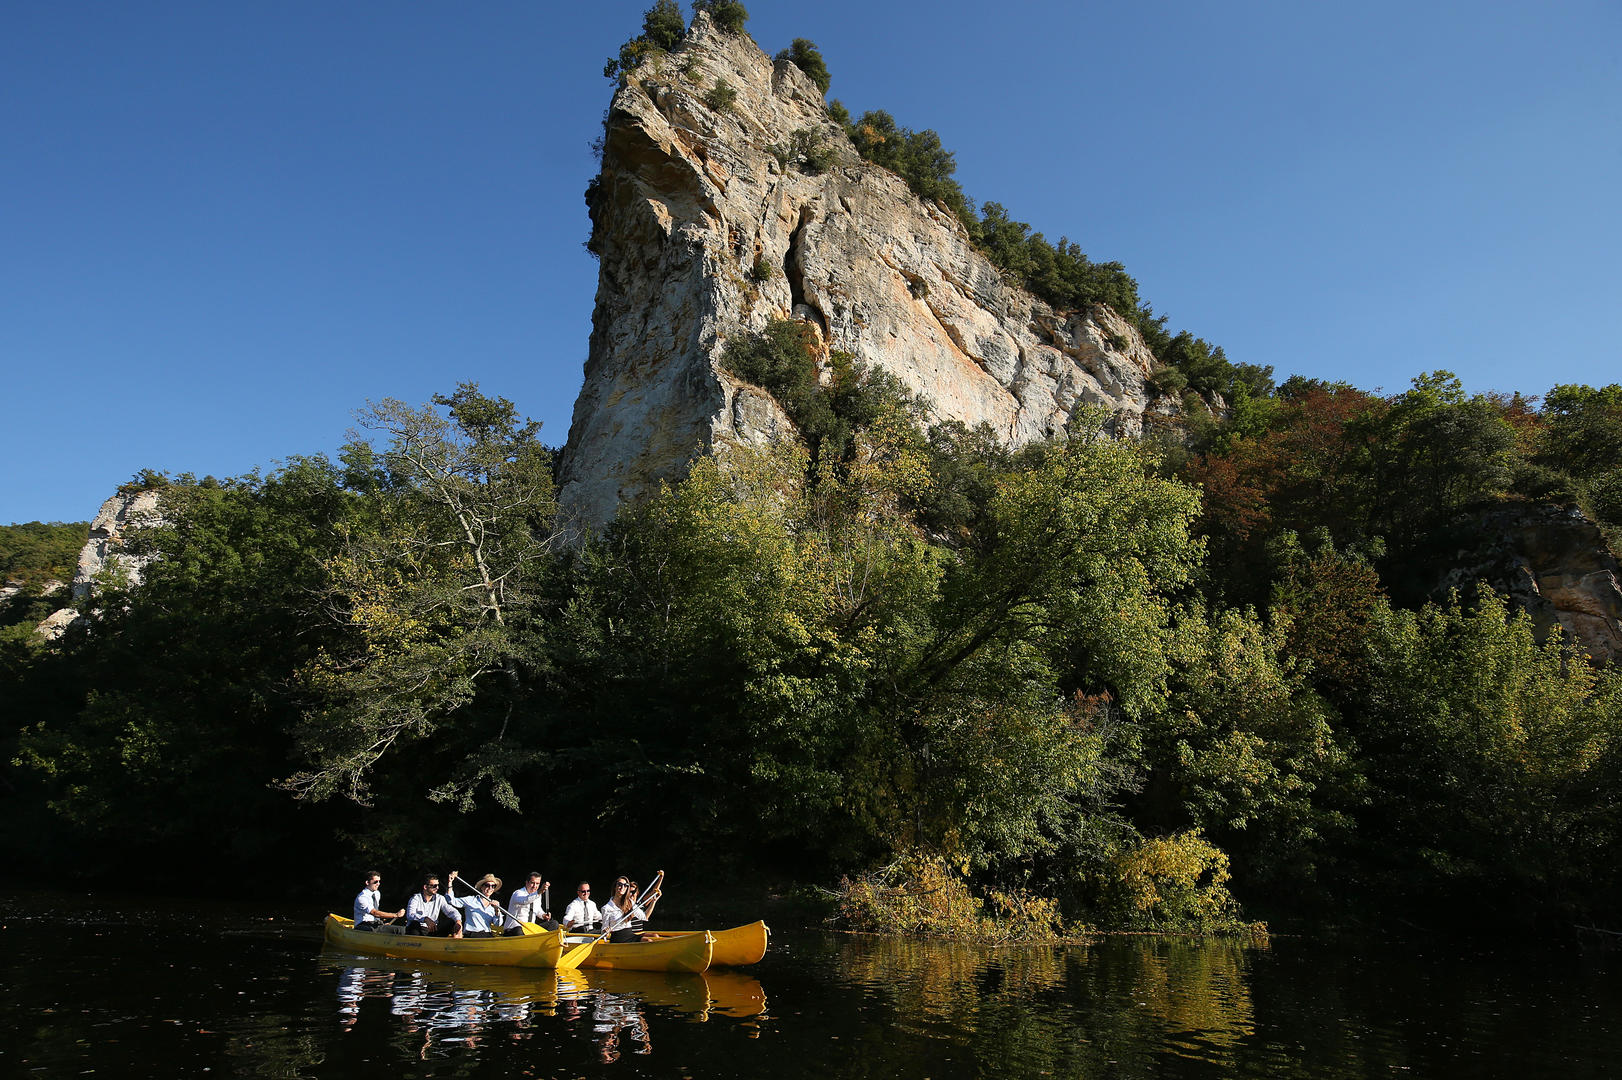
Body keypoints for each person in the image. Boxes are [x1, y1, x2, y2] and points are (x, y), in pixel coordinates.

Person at [600, 875, 660, 943]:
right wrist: (606, 931)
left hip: (630, 935)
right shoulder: (606, 908)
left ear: (627, 888)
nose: (622, 887)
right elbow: (603, 931)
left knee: (648, 941)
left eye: (625, 885)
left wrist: (654, 901)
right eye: (620, 884)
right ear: (615, 887)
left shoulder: (629, 902)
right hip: (618, 939)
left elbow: (645, 917)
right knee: (648, 941)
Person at [445, 870, 506, 937]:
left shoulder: (494, 905)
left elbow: (497, 924)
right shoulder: (470, 900)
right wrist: (450, 882)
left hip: (486, 935)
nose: (490, 888)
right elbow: (451, 900)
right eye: (487, 885)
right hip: (471, 934)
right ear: (482, 887)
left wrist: (497, 910)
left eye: (493, 886)